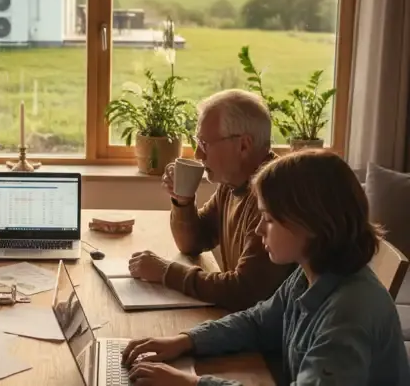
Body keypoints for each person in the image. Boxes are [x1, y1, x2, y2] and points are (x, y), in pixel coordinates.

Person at [121, 150, 410, 386]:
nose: (259, 229)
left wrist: (191, 384)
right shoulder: (311, 270)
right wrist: (184, 341)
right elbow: (259, 322)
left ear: (310, 224)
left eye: (269, 219)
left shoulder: (348, 314)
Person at [128, 89, 294, 311]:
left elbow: (244, 291)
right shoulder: (232, 183)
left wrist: (166, 272)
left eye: (204, 144)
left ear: (243, 145)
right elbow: (193, 242)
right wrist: (183, 201)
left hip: (267, 340)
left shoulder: (274, 194)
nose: (197, 154)